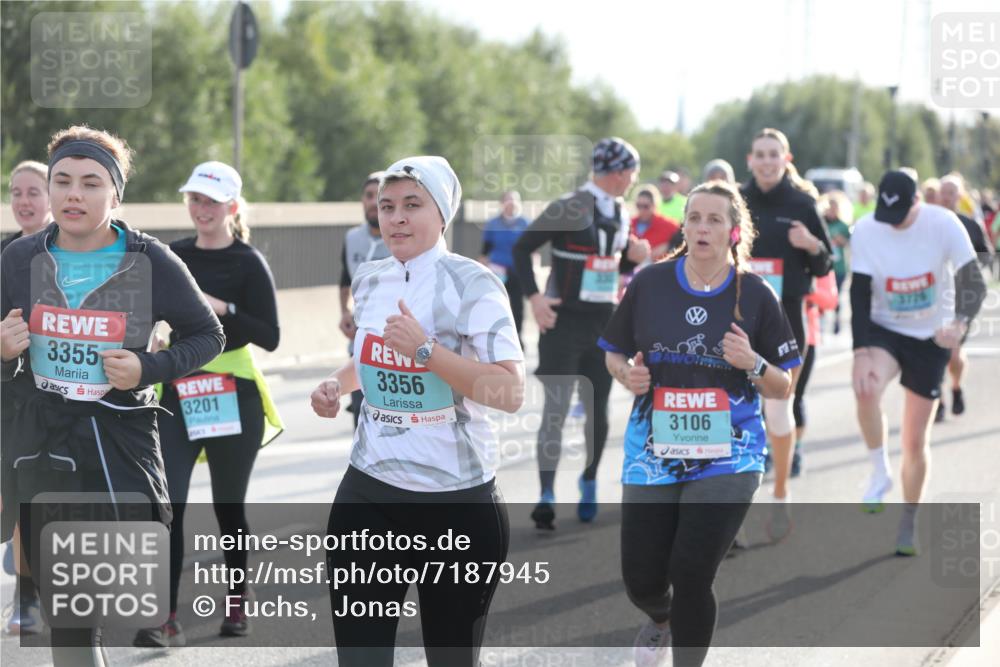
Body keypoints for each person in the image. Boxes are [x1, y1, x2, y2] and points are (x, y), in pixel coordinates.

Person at [0, 125, 225, 666]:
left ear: (116, 195)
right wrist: (3, 351)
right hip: (41, 445)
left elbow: (207, 335)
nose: (73, 194)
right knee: (69, 618)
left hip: (114, 445)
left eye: (91, 183)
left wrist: (149, 367)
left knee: (84, 606)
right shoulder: (18, 258)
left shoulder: (150, 261)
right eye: (62, 181)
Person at [310, 156, 524, 667]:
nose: (397, 217)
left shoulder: (474, 284)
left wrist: (426, 351)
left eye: (412, 204)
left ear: (442, 214)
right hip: (370, 493)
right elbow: (370, 357)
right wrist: (336, 384)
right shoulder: (370, 277)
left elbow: (509, 392)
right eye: (387, 207)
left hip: (457, 503)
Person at [599, 180, 799, 667]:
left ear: (734, 231)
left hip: (729, 455)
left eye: (714, 219)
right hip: (652, 451)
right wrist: (627, 375)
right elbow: (614, 353)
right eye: (694, 218)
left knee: (691, 572)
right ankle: (660, 618)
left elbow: (782, 386)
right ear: (684, 226)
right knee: (643, 580)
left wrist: (752, 362)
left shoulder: (756, 294)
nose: (702, 227)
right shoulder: (649, 283)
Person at [133, 161, 283, 647]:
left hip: (234, 394)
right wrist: (153, 341)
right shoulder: (172, 255)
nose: (201, 208)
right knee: (168, 504)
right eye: (195, 199)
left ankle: (237, 599)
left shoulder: (249, 262)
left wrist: (220, 307)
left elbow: (271, 336)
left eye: (212, 201)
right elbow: (146, 312)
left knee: (228, 506)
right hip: (178, 391)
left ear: (232, 207)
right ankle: (164, 617)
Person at [511, 137, 650, 529]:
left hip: (604, 323)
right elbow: (522, 249)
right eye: (632, 173)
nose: (633, 180)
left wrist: (631, 259)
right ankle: (546, 494)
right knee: (555, 409)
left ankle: (589, 481)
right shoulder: (570, 206)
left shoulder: (620, 211)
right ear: (619, 173)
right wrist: (535, 298)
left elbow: (610, 267)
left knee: (598, 409)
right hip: (563, 323)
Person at [851, 171, 986, 555]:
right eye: (887, 216)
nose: (893, 225)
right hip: (884, 328)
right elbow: (859, 294)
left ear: (917, 203)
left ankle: (909, 519)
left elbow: (973, 281)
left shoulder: (943, 223)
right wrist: (860, 352)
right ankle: (879, 471)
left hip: (932, 335)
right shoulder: (867, 229)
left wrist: (960, 323)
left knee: (914, 440)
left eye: (901, 217)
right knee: (865, 388)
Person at [740, 128, 832, 531]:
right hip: (737, 322)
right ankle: (734, 509)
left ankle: (780, 494)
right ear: (750, 159)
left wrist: (811, 244)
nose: (766, 161)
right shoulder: (734, 201)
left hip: (787, 322)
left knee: (779, 411)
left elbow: (825, 264)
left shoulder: (802, 204)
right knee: (735, 414)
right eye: (759, 154)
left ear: (786, 159)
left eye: (773, 154)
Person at [1, 160, 52, 636]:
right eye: (16, 192)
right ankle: (27, 598)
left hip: (62, 398)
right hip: (10, 396)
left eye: (33, 191)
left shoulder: (71, 254)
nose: (23, 201)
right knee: (18, 503)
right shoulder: (4, 255)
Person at [935, 174, 993, 420]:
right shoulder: (929, 224)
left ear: (959, 196)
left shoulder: (969, 225)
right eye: (943, 192)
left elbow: (986, 254)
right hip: (934, 296)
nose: (946, 197)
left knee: (954, 353)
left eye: (951, 193)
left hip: (960, 297)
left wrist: (968, 266)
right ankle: (937, 399)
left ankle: (956, 387)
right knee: (934, 352)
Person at [340, 172, 391, 427]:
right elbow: (345, 279)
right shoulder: (352, 238)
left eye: (379, 196)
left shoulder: (402, 238)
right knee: (362, 425)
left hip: (396, 349)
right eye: (369, 195)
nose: (373, 202)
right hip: (362, 346)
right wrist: (345, 312)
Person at [792, 272, 838, 476]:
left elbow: (830, 300)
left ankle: (795, 449)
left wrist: (798, 287)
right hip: (768, 333)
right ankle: (768, 448)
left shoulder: (815, 258)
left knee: (796, 397)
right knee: (766, 400)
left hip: (806, 337)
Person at [479, 190, 530, 345]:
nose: (512, 203)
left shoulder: (525, 223)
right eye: (508, 199)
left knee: (517, 306)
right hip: (498, 270)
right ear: (502, 203)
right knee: (496, 304)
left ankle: (517, 339)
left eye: (515, 200)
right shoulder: (493, 224)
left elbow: (531, 250)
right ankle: (494, 338)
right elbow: (485, 250)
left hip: (518, 270)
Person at [818, 190, 853, 334]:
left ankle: (837, 320)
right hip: (823, 267)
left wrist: (842, 241)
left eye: (835, 208)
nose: (832, 211)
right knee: (821, 296)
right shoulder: (820, 223)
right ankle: (821, 323)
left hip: (839, 267)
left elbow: (850, 244)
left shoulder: (843, 226)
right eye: (829, 207)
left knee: (837, 295)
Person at [3, 161, 53, 252]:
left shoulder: (68, 247)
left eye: (33, 193)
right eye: (17, 193)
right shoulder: (4, 250)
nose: (23, 201)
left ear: (52, 197)